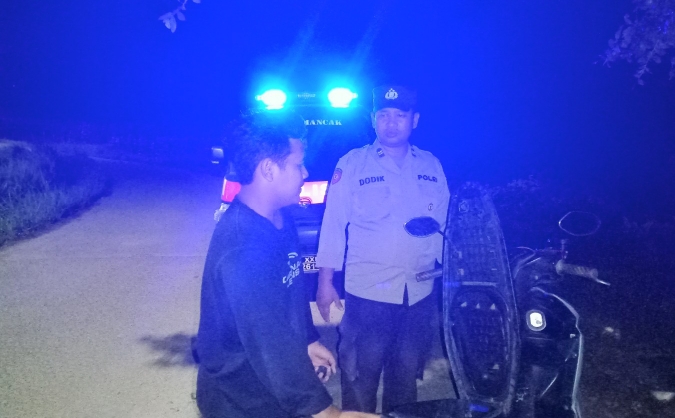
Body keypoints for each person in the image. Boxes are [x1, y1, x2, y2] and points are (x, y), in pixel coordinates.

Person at [195, 111, 379, 418]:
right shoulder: (243, 248)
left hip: (271, 391)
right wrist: (325, 411)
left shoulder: (280, 219)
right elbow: (269, 341)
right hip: (240, 401)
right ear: (269, 169)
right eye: (297, 164)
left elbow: (290, 293)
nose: (305, 172)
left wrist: (307, 339)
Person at [315, 85, 450, 413]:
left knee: (405, 384)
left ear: (414, 120)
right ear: (373, 119)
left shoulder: (431, 165)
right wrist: (325, 282)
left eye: (400, 115)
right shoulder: (353, 164)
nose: (391, 123)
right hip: (368, 296)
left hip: (418, 295)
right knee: (359, 380)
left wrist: (450, 273)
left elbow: (444, 226)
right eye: (384, 115)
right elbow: (333, 224)